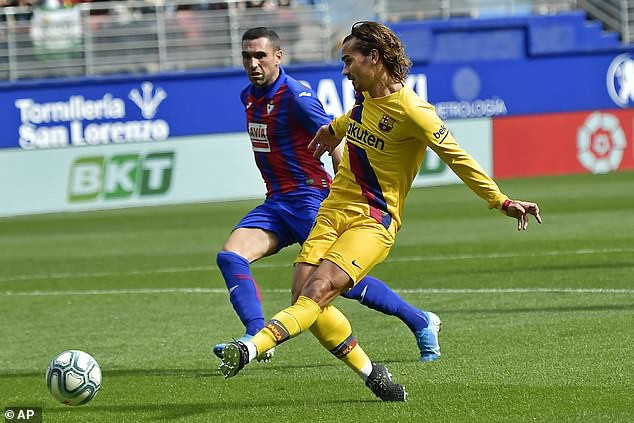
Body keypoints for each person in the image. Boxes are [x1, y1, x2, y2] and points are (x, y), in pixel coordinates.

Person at [218, 21, 542, 401]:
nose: (344, 70)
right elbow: (352, 122)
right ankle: (374, 375)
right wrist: (331, 131)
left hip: (372, 219)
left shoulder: (414, 111)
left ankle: (252, 346)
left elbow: (459, 158)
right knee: (305, 300)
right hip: (332, 210)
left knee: (320, 290)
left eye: (348, 61)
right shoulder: (365, 98)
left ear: (373, 58)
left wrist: (500, 200)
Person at [212, 26, 443, 364]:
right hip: (276, 203)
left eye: (260, 55)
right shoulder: (248, 95)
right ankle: (256, 334)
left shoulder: (296, 96)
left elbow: (338, 139)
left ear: (278, 57)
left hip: (311, 198)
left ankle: (420, 320)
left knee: (336, 283)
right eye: (247, 56)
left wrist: (345, 191)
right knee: (230, 257)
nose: (253, 63)